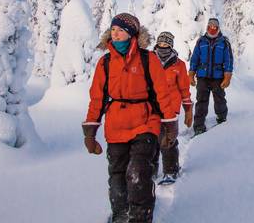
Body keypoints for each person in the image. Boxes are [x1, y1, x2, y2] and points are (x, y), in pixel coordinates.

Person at [82, 13, 171, 223]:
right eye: (113, 29)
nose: (116, 33)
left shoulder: (148, 59)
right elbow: (97, 98)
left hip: (145, 122)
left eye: (121, 30)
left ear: (131, 34)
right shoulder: (104, 63)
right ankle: (121, 215)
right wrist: (90, 132)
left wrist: (169, 126)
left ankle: (141, 217)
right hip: (116, 127)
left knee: (138, 172)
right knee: (117, 176)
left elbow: (162, 93)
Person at [151, 31, 193, 184]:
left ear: (171, 45)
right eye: (161, 43)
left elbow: (184, 88)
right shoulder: (148, 60)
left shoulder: (178, 64)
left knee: (168, 139)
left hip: (170, 108)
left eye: (166, 44)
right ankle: (151, 170)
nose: (163, 46)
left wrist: (188, 109)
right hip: (152, 107)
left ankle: (171, 170)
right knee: (151, 140)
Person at [189, 17, 233, 136]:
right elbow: (195, 58)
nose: (212, 28)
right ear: (207, 27)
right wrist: (191, 73)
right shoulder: (201, 41)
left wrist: (227, 75)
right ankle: (199, 126)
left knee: (220, 99)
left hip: (218, 77)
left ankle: (222, 118)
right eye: (210, 26)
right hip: (202, 76)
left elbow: (228, 60)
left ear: (218, 28)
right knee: (201, 101)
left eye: (215, 26)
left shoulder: (224, 42)